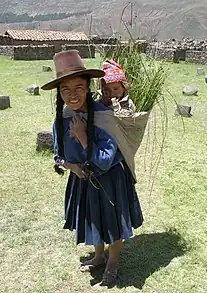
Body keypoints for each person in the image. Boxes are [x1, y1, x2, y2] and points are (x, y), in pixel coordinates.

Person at [41, 50, 143, 286]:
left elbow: (106, 159)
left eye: (78, 87)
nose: (72, 95)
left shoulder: (104, 116)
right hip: (83, 178)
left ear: (88, 87)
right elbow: (58, 156)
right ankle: (99, 256)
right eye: (65, 89)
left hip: (110, 179)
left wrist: (83, 137)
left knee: (112, 222)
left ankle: (113, 262)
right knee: (95, 221)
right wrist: (72, 167)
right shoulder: (61, 118)